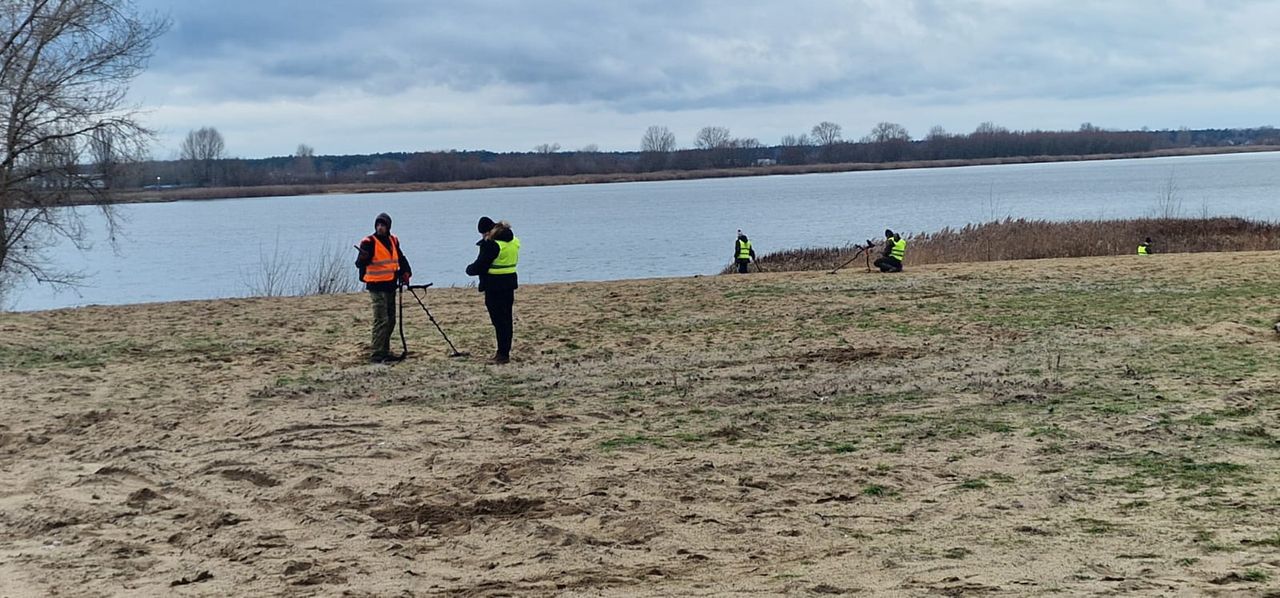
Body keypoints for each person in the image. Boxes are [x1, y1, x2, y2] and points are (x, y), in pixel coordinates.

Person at [355, 212, 412, 364]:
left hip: (390, 285)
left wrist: (406, 272)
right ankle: (377, 353)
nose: (380, 228)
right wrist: (363, 257)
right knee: (381, 320)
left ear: (388, 227)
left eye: (383, 225)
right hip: (375, 286)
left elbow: (400, 258)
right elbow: (359, 264)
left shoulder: (393, 240)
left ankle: (384, 350)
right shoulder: (368, 241)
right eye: (378, 225)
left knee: (391, 320)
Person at [466, 217, 519, 365]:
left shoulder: (491, 245)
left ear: (488, 231)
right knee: (507, 320)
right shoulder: (513, 240)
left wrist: (469, 269)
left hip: (494, 287)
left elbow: (479, 266)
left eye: (483, 234)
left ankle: (502, 354)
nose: (483, 237)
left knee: (499, 321)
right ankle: (504, 351)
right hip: (509, 285)